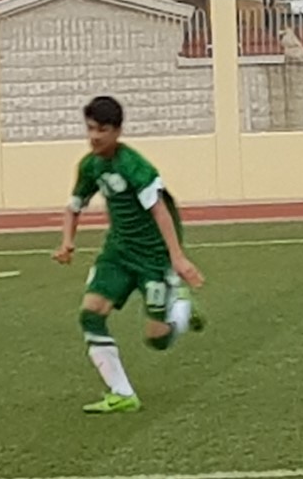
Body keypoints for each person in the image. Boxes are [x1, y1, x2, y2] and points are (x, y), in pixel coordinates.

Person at [53, 96, 205, 414]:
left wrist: (177, 258)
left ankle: (180, 309)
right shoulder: (90, 165)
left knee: (157, 339)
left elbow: (160, 210)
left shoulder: (135, 166)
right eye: (90, 128)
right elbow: (73, 207)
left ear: (117, 131)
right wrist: (67, 241)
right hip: (118, 252)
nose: (94, 136)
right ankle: (122, 394)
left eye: (102, 130)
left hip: (153, 257)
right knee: (90, 313)